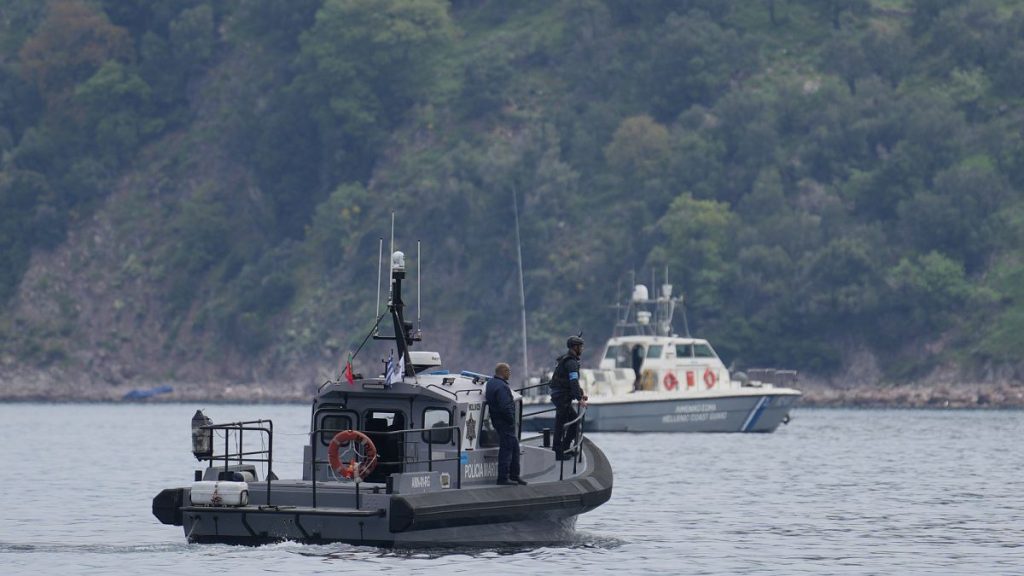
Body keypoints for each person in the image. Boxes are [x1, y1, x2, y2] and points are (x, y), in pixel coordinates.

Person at [485, 362, 526, 486]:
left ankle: (514, 475)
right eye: (508, 371)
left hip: (497, 421)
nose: (510, 373)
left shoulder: (491, 383)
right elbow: (505, 406)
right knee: (506, 449)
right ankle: (503, 478)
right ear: (503, 372)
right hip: (504, 422)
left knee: (514, 447)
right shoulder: (502, 386)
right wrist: (511, 420)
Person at [550, 335, 587, 460]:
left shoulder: (568, 360)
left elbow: (570, 381)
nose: (582, 349)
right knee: (561, 425)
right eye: (580, 346)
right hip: (562, 397)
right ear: (575, 347)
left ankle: (564, 448)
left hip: (560, 395)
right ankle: (558, 452)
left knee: (571, 423)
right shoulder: (571, 362)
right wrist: (579, 399)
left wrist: (580, 394)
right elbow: (573, 381)